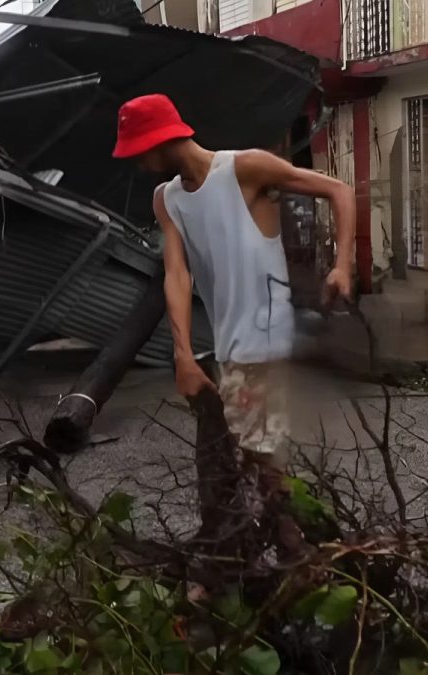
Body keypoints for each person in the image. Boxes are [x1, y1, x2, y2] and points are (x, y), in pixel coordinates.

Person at [112, 94, 355, 552]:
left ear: (160, 140)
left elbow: (338, 190)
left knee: (248, 459)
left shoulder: (245, 168)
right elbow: (177, 275)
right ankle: (301, 547)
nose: (139, 164)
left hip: (266, 339)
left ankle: (280, 552)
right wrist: (183, 355)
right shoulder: (167, 199)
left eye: (140, 152)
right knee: (257, 458)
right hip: (229, 345)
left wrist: (342, 267)